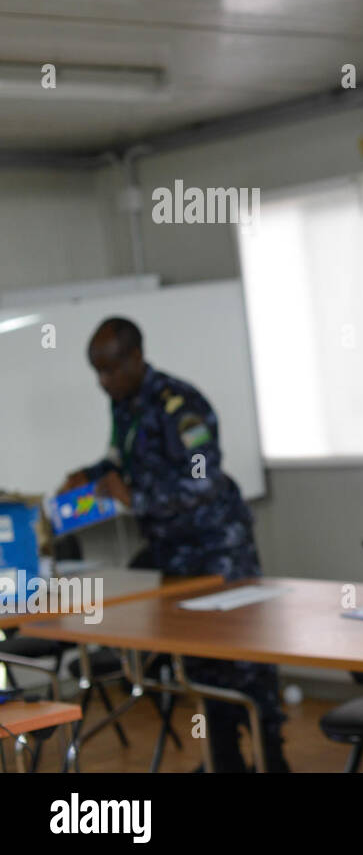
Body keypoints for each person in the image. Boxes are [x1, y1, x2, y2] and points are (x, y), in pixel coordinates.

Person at [59, 317, 289, 772]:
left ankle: (273, 760)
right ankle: (226, 763)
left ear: (136, 357)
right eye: (97, 373)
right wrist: (92, 473)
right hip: (173, 553)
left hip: (217, 547)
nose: (103, 383)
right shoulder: (124, 404)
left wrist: (138, 497)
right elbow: (118, 455)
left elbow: (204, 478)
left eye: (109, 370)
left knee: (246, 663)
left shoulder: (180, 404)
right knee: (201, 666)